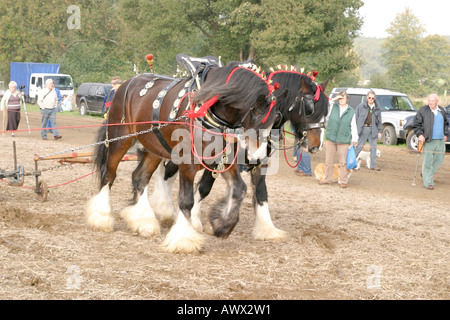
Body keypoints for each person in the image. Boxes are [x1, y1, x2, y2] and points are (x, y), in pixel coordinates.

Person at [319, 90, 358, 188]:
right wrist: (335, 98)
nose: (341, 100)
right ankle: (327, 178)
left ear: (347, 99)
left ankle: (343, 180)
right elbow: (326, 105)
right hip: (331, 138)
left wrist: (355, 138)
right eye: (339, 98)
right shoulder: (333, 107)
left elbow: (353, 126)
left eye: (343, 98)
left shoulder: (351, 111)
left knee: (343, 162)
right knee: (328, 161)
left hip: (343, 139)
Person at [412, 94, 448, 190]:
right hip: (428, 140)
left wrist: (445, 134)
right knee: (427, 162)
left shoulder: (442, 110)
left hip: (440, 141)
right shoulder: (423, 110)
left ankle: (425, 173)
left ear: (437, 101)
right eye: (429, 100)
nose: (430, 102)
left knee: (439, 160)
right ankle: (428, 183)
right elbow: (416, 124)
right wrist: (420, 135)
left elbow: (446, 124)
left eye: (432, 101)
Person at [354, 90, 383, 171]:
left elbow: (380, 120)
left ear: (375, 98)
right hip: (363, 129)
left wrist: (380, 131)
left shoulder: (377, 108)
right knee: (359, 146)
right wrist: (355, 130)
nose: (371, 99)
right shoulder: (360, 106)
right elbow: (356, 119)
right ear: (367, 97)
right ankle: (351, 163)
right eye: (369, 97)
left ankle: (373, 165)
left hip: (373, 129)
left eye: (372, 98)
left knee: (373, 147)